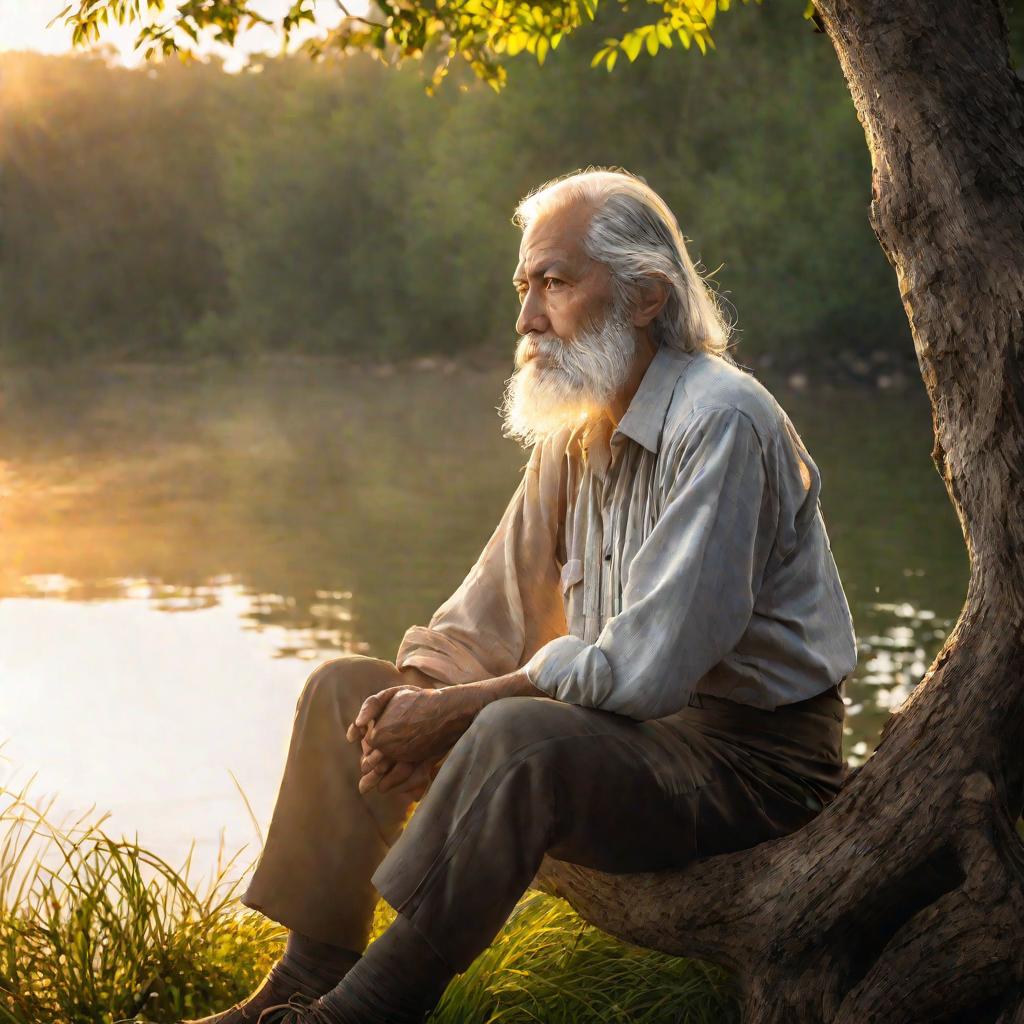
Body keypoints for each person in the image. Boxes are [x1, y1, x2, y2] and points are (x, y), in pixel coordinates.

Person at [185, 167, 857, 1024]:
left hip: (754, 769)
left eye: (556, 283)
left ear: (647, 297)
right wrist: (416, 701)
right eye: (523, 285)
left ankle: (358, 1014)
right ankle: (300, 983)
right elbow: (488, 612)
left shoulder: (722, 420)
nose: (526, 317)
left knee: (514, 731)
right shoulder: (578, 430)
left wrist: (462, 709)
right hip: (628, 743)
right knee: (340, 693)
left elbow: (646, 670)